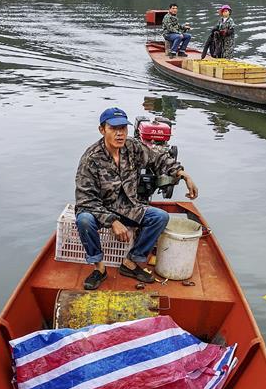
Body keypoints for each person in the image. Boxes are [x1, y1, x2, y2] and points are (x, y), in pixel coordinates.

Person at [75, 107, 199, 290]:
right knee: (84, 220)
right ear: (102, 130)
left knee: (160, 217)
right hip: (100, 210)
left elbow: (159, 159)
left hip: (129, 206)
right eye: (114, 129)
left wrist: (183, 174)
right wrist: (113, 221)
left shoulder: (132, 147)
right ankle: (99, 268)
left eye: (123, 129)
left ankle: (130, 263)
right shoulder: (91, 159)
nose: (120, 134)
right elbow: (85, 200)